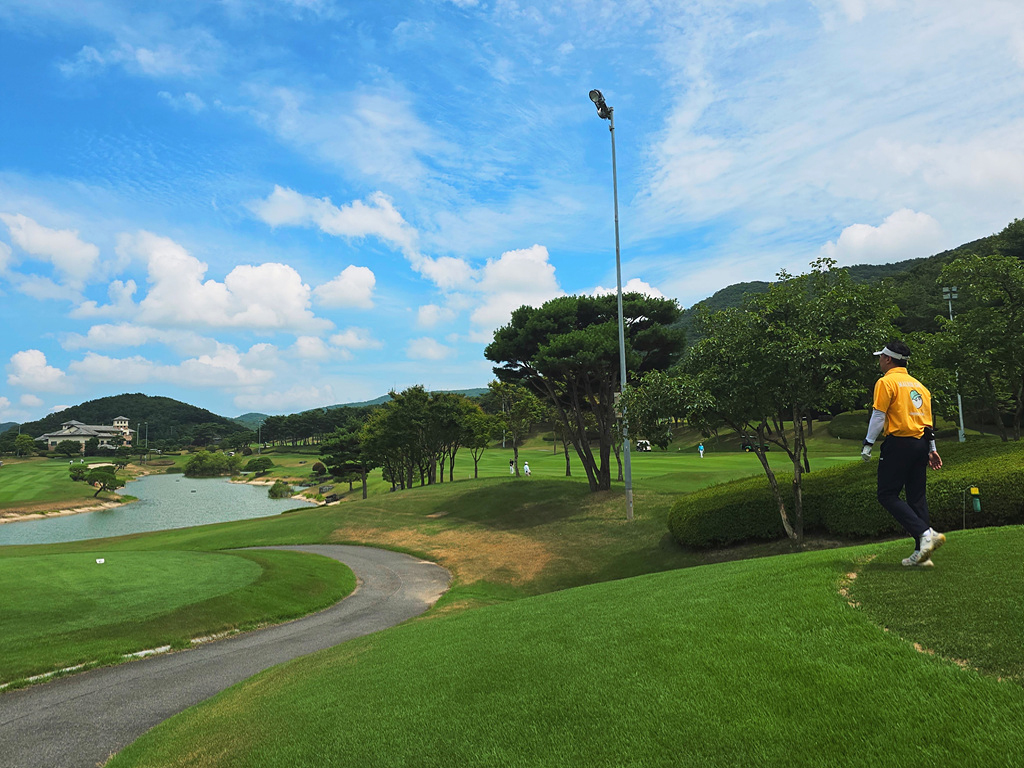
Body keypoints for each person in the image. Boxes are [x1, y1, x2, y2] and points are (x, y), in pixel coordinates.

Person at [861, 340, 945, 567]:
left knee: (887, 494)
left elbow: (879, 416)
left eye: (881, 357)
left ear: (888, 359)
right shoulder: (920, 386)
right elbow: (927, 425)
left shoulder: (886, 382)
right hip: (920, 445)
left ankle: (926, 533)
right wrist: (932, 450)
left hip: (898, 444)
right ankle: (922, 553)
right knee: (916, 497)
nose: (879, 360)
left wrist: (868, 443)